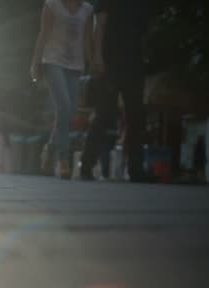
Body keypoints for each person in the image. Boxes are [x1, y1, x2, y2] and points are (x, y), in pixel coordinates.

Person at [80, 0, 150, 182]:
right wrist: (96, 57)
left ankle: (136, 169)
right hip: (109, 64)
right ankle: (86, 165)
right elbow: (99, 25)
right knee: (104, 115)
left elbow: (141, 33)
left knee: (136, 116)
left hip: (134, 63)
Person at [31, 0, 94, 179]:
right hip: (52, 61)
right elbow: (43, 34)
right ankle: (63, 161)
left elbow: (87, 38)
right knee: (64, 107)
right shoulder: (52, 5)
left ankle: (49, 152)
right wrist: (35, 62)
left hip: (75, 65)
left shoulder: (87, 9)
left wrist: (93, 61)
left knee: (68, 113)